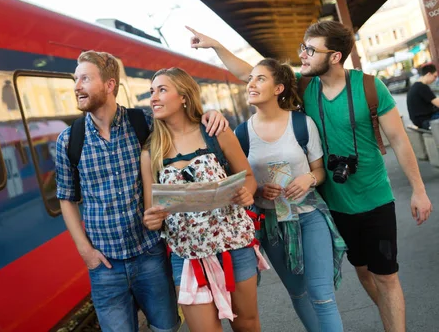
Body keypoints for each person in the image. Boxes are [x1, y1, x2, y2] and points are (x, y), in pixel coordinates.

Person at [187, 21, 433, 332]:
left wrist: (418, 190)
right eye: (303, 48)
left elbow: (399, 139)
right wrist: (216, 46)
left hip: (374, 198)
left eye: (311, 50)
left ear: (335, 56)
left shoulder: (370, 87)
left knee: (386, 276)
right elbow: (250, 74)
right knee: (364, 273)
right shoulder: (305, 87)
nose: (302, 55)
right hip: (335, 203)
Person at [55, 51, 229, 332]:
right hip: (105, 264)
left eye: (85, 79)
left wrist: (210, 114)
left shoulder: (145, 124)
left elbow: (186, 126)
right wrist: (85, 251)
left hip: (150, 254)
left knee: (166, 328)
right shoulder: (69, 140)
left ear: (110, 85)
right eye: (76, 79)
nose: (77, 86)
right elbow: (66, 198)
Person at [141, 67, 261, 332]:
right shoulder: (151, 151)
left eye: (162, 90)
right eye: (151, 92)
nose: (153, 98)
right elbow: (153, 213)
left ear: (183, 96)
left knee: (248, 324)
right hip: (187, 257)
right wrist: (152, 219)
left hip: (234, 246)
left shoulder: (215, 132)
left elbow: (249, 177)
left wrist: (245, 192)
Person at [239, 58, 346, 331]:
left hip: (309, 215)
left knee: (322, 294)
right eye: (250, 78)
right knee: (298, 293)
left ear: (279, 88)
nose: (251, 83)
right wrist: (260, 189)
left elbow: (320, 171)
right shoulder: (241, 134)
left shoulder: (301, 123)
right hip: (272, 223)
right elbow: (244, 184)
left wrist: (308, 178)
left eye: (260, 78)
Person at [406, 63, 439, 129]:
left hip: (419, 120)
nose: (435, 79)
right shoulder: (422, 87)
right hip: (426, 121)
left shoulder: (415, 86)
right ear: (429, 74)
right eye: (435, 76)